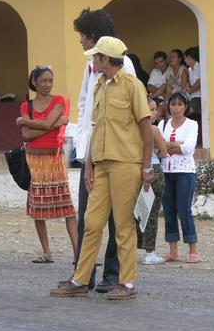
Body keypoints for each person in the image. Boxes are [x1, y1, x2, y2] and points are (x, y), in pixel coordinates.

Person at [51, 37, 154, 300]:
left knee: (123, 226)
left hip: (126, 164)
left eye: (96, 58)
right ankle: (80, 281)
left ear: (107, 60)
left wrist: (146, 167)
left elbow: (146, 129)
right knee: (92, 223)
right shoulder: (99, 86)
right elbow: (96, 129)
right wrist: (88, 165)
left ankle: (127, 283)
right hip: (101, 165)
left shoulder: (133, 86)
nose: (93, 62)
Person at [72, 8, 137, 293]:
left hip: (118, 155)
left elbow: (136, 114)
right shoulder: (91, 68)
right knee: (89, 218)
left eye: (83, 37)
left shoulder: (125, 69)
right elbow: (86, 108)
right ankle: (82, 276)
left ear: (94, 38)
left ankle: (113, 275)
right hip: (94, 151)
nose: (80, 43)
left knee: (116, 219)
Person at [16, 66, 78, 264]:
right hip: (34, 159)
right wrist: (55, 123)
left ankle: (78, 253)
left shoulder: (58, 100)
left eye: (50, 80)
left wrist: (26, 122)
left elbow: (37, 126)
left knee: (67, 207)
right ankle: (46, 252)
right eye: (44, 80)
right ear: (34, 82)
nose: (48, 84)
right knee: (38, 208)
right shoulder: (27, 106)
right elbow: (26, 135)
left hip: (54, 158)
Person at [159, 92, 201, 264]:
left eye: (179, 104)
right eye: (173, 104)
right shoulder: (162, 124)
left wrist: (167, 146)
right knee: (168, 211)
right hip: (166, 172)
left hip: (185, 171)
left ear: (185, 107)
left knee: (184, 210)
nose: (175, 108)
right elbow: (157, 146)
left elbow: (188, 148)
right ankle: (173, 251)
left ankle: (192, 250)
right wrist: (175, 146)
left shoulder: (192, 124)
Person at [136, 97, 168, 265]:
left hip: (136, 169)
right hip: (153, 170)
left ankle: (133, 247)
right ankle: (150, 252)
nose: (156, 113)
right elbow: (163, 152)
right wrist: (156, 149)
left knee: (138, 211)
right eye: (152, 109)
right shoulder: (153, 129)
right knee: (152, 212)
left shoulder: (132, 129)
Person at [184, 47, 201, 115]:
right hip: (192, 96)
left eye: (185, 58)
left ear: (189, 57)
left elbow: (198, 82)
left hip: (199, 96)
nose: (184, 60)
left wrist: (190, 90)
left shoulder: (199, 66)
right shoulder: (190, 69)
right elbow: (191, 83)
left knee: (185, 112)